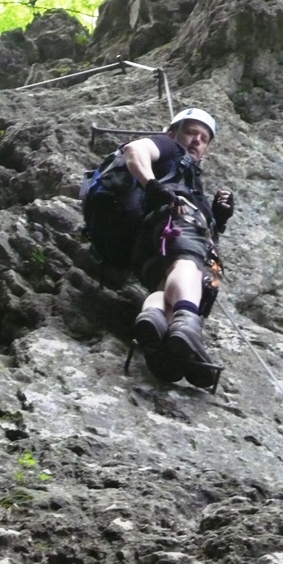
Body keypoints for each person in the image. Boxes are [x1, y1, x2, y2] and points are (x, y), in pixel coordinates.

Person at [122, 107, 234, 386]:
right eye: (190, 132)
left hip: (151, 239)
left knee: (163, 287)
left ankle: (158, 327)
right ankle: (186, 323)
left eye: (204, 138)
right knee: (187, 266)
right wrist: (152, 185)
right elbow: (134, 149)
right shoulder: (170, 148)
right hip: (176, 223)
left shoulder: (187, 176)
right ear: (172, 133)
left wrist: (218, 219)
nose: (197, 140)